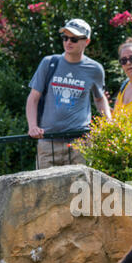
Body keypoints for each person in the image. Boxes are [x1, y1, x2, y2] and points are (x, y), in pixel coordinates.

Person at [26, 18, 111, 168]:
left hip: (79, 143)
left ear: (87, 41)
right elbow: (33, 98)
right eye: (65, 38)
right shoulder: (49, 62)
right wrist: (32, 126)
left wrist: (108, 124)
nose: (68, 42)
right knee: (45, 191)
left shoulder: (95, 69)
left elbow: (99, 98)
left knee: (79, 189)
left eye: (74, 39)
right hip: (48, 142)